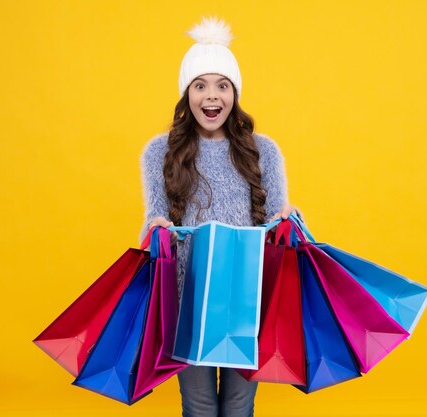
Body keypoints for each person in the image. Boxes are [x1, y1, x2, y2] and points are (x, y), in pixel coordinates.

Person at [140, 17, 295, 417]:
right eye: (201, 85)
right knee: (199, 403)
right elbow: (154, 221)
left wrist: (289, 219)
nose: (212, 96)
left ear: (235, 94)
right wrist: (155, 228)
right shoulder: (160, 152)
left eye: (222, 85)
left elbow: (277, 220)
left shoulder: (264, 151)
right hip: (187, 298)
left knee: (240, 402)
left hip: (246, 296)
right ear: (186, 94)